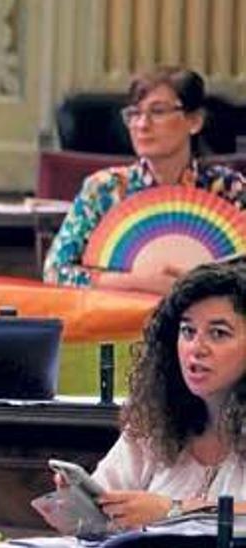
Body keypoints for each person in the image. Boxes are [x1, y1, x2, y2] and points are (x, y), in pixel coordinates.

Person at [63, 263, 246, 530]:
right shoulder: (155, 425)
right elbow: (98, 514)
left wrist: (174, 511)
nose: (197, 348)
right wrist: (80, 505)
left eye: (218, 333)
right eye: (187, 331)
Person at [44, 66, 246, 294]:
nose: (142, 125)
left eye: (157, 112)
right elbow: (55, 272)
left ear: (194, 121)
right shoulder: (103, 190)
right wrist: (139, 282)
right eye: (134, 114)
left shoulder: (228, 189)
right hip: (119, 321)